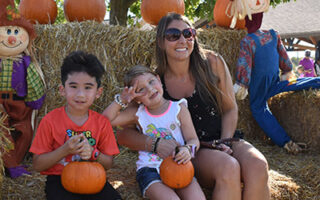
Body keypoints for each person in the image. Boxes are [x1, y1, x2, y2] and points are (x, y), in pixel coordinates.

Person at [116, 13, 270, 200]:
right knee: (228, 167)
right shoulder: (153, 84)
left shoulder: (212, 63)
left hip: (222, 139)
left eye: (188, 33)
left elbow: (230, 109)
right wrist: (155, 144)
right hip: (188, 150)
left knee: (258, 165)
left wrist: (224, 141)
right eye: (173, 35)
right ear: (161, 41)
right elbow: (124, 134)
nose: (182, 40)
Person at [103, 65, 206, 200]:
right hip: (150, 170)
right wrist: (122, 100)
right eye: (141, 90)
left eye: (151, 82)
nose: (150, 89)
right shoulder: (138, 114)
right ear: (136, 99)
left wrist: (187, 150)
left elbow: (193, 140)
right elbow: (105, 121)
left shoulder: (179, 109)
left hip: (179, 166)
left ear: (159, 79)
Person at [29, 51, 122, 200]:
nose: (80, 94)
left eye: (88, 87)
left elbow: (108, 163)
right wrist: (64, 150)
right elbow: (38, 164)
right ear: (62, 90)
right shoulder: (49, 121)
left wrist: (93, 153)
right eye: (73, 86)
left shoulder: (102, 123)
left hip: (94, 177)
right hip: (59, 179)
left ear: (98, 92)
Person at [234, 12, 320, 154]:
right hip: (274, 80)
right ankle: (317, 81)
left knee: (258, 108)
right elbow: (285, 60)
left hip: (259, 84)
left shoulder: (247, 41)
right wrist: (286, 70)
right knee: (294, 83)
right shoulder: (273, 35)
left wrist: (241, 84)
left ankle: (285, 141)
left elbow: (245, 65)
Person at [0, 0, 45, 178]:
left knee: (26, 131)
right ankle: (10, 164)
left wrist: (35, 100)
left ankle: (14, 161)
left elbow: (34, 82)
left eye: (16, 32)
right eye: (7, 32)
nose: (12, 38)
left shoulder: (27, 63)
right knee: (2, 129)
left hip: (20, 105)